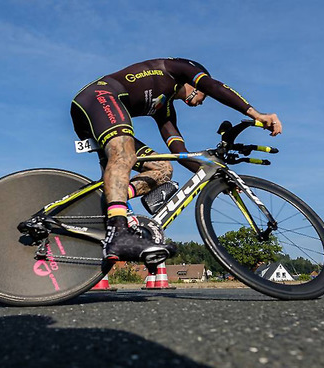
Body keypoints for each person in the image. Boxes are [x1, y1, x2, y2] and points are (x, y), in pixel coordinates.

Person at [70, 58, 282, 264]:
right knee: (124, 153)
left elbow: (180, 153)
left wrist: (214, 174)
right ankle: (119, 232)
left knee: (163, 168)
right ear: (195, 83)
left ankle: (113, 199)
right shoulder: (175, 68)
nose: (203, 100)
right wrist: (257, 114)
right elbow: (215, 87)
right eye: (204, 95)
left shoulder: (165, 109)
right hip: (99, 97)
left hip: (101, 113)